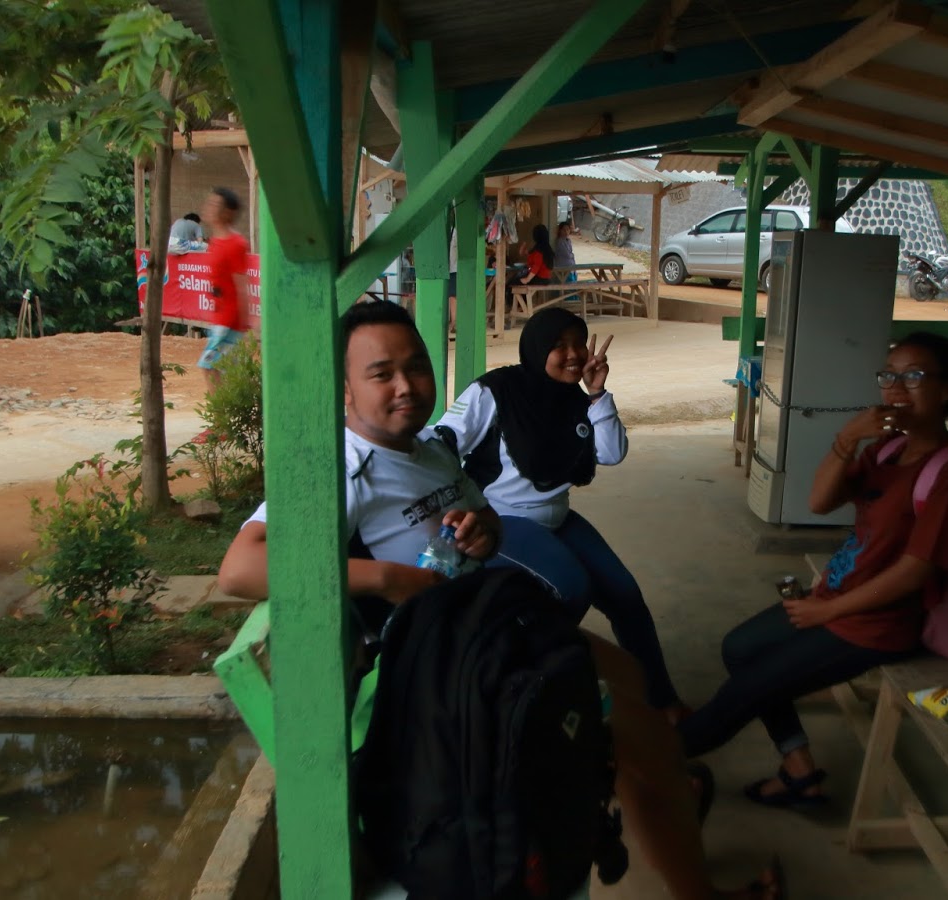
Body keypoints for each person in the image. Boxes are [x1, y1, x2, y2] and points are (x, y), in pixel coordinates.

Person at [219, 301, 782, 900]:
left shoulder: (428, 450)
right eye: (381, 373)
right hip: (442, 670)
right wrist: (385, 578)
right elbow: (240, 568)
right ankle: (686, 858)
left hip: (486, 628)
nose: (406, 386)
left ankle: (651, 783)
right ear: (346, 389)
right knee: (643, 734)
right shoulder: (340, 468)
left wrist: (484, 532)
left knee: (630, 676)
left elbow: (484, 514)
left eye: (416, 367)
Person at [677, 332, 948, 809]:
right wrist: (847, 438)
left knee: (744, 693)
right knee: (739, 648)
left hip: (877, 625)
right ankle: (800, 771)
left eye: (914, 376)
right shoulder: (888, 450)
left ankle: (641, 760)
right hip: (836, 599)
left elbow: (914, 572)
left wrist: (829, 611)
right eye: (888, 376)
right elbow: (819, 502)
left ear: (947, 390)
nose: (896, 388)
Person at [435, 307, 687, 723]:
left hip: (557, 518)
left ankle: (661, 702)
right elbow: (443, 442)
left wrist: (597, 393)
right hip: (503, 520)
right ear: (537, 349)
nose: (573, 354)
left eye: (578, 343)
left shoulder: (575, 398)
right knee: (572, 587)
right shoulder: (496, 390)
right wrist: (453, 507)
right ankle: (525, 682)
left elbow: (611, 453)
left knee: (626, 595)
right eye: (559, 345)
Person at [199, 187, 252, 392]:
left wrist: (245, 324)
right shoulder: (215, 241)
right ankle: (225, 409)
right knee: (222, 368)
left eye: (215, 205)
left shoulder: (235, 244)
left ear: (227, 213)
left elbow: (241, 286)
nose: (208, 208)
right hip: (220, 317)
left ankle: (219, 411)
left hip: (229, 320)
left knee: (209, 366)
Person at [508, 223, 555, 288]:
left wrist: (527, 279)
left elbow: (536, 267)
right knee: (514, 280)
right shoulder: (544, 248)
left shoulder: (540, 251)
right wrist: (523, 246)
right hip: (542, 278)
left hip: (540, 279)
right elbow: (524, 253)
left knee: (513, 283)